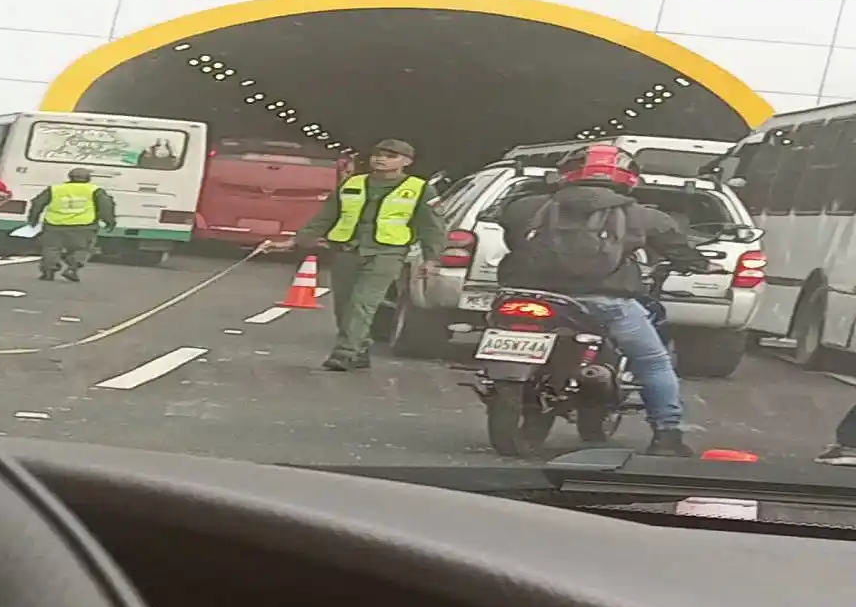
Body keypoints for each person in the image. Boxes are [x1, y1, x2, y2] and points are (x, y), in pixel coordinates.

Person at [495, 144, 715, 457]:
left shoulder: (525, 206)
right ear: (629, 177)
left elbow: (513, 240)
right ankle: (666, 435)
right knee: (653, 361)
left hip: (530, 294)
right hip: (604, 300)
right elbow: (679, 250)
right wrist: (703, 264)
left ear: (566, 173)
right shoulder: (643, 216)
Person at [266, 139, 445, 371]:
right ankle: (360, 349)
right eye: (378, 154)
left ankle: (344, 353)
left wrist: (432, 259)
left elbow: (433, 227)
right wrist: (295, 241)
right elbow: (326, 216)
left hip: (387, 253)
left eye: (391, 156)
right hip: (347, 251)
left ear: (407, 162)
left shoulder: (421, 189)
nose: (381, 159)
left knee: (363, 302)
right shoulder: (353, 183)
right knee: (344, 305)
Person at [27, 167, 116, 282]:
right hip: (84, 225)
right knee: (82, 249)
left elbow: (37, 203)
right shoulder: (95, 190)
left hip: (55, 224)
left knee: (51, 248)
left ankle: (49, 271)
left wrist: (33, 219)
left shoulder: (55, 189)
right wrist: (109, 221)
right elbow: (106, 207)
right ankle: (72, 268)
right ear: (88, 178)